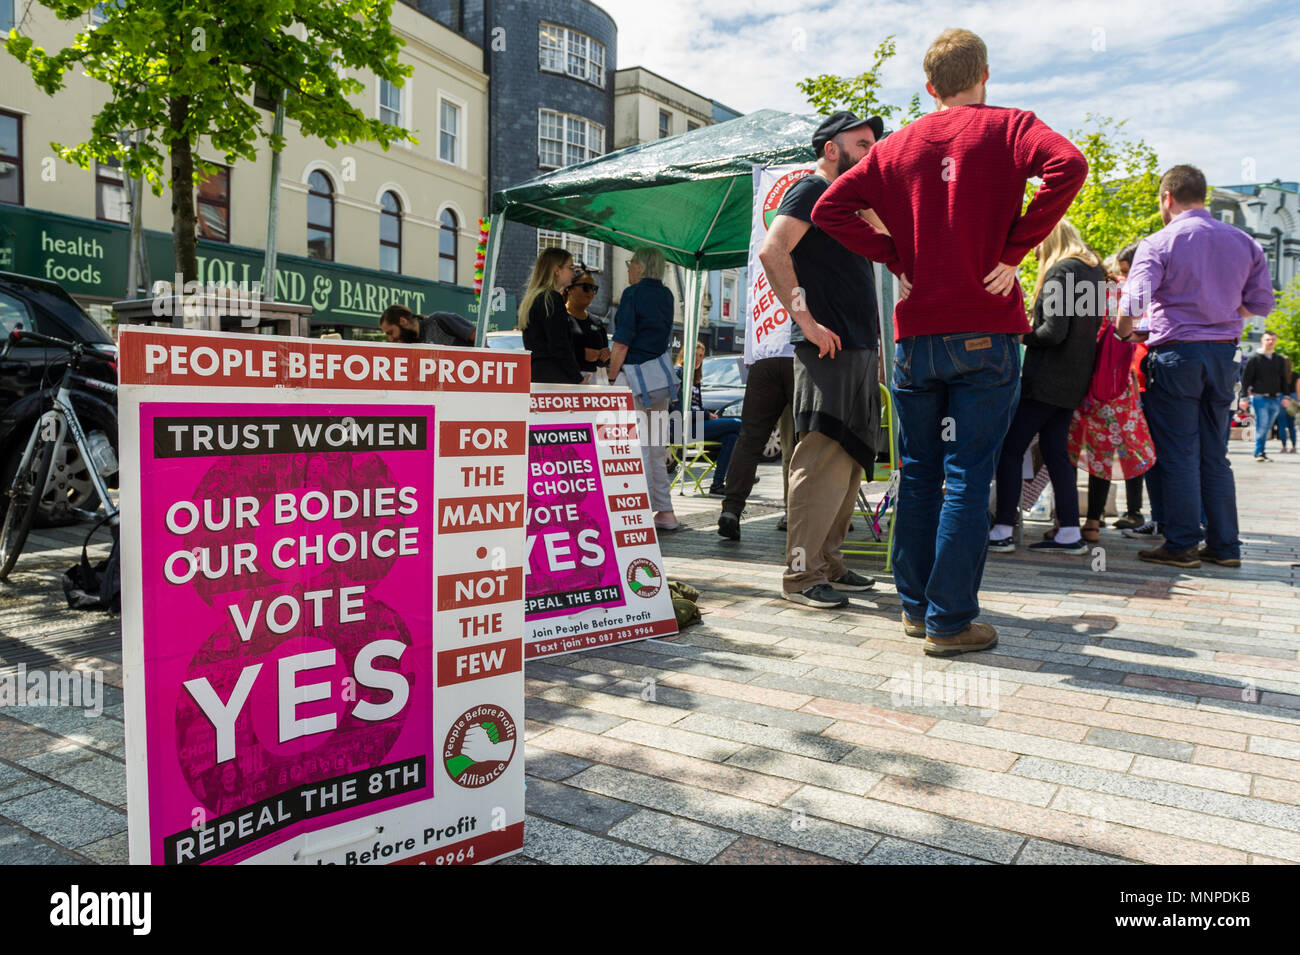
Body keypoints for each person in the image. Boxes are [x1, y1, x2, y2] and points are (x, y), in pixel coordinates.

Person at [813, 28, 1086, 654]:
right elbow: (1069, 166)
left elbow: (831, 208)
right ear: (984, 73)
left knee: (918, 471)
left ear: (929, 86)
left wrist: (895, 259)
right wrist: (1015, 251)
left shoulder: (896, 146)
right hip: (984, 328)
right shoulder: (1012, 127)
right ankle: (950, 619)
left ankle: (915, 608)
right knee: (968, 475)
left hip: (916, 335)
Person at [1118, 164, 1275, 569]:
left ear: (1167, 198)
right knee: (1215, 454)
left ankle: (1182, 543)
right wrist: (1221, 315)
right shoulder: (1243, 241)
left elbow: (1132, 307)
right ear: (1202, 196)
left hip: (1176, 356)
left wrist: (1127, 333)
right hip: (1224, 355)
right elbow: (1261, 304)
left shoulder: (1158, 242)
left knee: (1178, 452)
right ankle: (1225, 546)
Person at [758, 109, 884, 609]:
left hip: (856, 349)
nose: (872, 150)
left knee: (850, 459)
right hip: (825, 348)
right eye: (862, 143)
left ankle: (828, 564)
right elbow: (773, 251)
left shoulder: (849, 202)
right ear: (831, 148)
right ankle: (801, 576)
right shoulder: (811, 189)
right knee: (821, 459)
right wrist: (806, 321)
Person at [989, 218, 1105, 555]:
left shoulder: (1060, 272)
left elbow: (1053, 332)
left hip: (1046, 380)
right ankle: (1070, 530)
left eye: (1037, 242)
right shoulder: (1092, 273)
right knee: (1057, 453)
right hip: (1074, 380)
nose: (1034, 251)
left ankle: (1003, 529)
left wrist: (1016, 332)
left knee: (1011, 448)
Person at [608, 247, 680, 531]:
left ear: (639, 266)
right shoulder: (667, 296)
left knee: (628, 447)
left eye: (630, 263)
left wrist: (612, 377)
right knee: (655, 447)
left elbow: (622, 343)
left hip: (632, 378)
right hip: (659, 381)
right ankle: (665, 511)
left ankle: (635, 512)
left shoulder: (632, 294)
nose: (628, 268)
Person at [717, 354, 795, 541]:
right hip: (799, 356)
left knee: (749, 440)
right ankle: (800, 513)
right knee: (805, 442)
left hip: (763, 358)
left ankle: (731, 510)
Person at [674, 342, 743, 496]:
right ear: (685, 355)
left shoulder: (695, 377)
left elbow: (695, 406)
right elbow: (679, 409)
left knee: (731, 437)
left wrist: (707, 414)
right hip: (682, 428)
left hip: (697, 425)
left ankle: (717, 484)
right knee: (738, 424)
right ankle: (742, 474)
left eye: (701, 356)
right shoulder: (678, 373)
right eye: (695, 355)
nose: (698, 359)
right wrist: (706, 415)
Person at [518, 248, 582, 384]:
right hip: (555, 377)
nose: (574, 271)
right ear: (557, 270)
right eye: (570, 267)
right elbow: (559, 344)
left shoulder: (533, 298)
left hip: (537, 374)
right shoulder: (551, 298)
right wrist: (577, 378)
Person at [1242, 331, 1290, 462]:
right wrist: (1244, 397)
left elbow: (1283, 379)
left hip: (1276, 398)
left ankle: (1261, 451)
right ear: (1262, 340)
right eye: (1268, 339)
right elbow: (1246, 379)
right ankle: (1259, 452)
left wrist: (1286, 396)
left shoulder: (1279, 359)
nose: (1270, 342)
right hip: (1259, 398)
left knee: (1267, 426)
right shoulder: (1254, 358)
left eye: (1273, 340)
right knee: (1262, 425)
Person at [564, 266, 610, 380]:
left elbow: (604, 362)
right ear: (570, 289)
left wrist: (606, 357)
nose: (590, 293)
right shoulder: (559, 318)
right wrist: (582, 354)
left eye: (594, 288)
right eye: (586, 287)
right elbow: (554, 350)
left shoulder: (597, 322)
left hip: (592, 384)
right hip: (566, 381)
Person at [379, 304, 476, 346]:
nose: (391, 339)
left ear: (403, 321)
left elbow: (477, 336)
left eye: (391, 332)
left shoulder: (438, 320)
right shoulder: (413, 345)